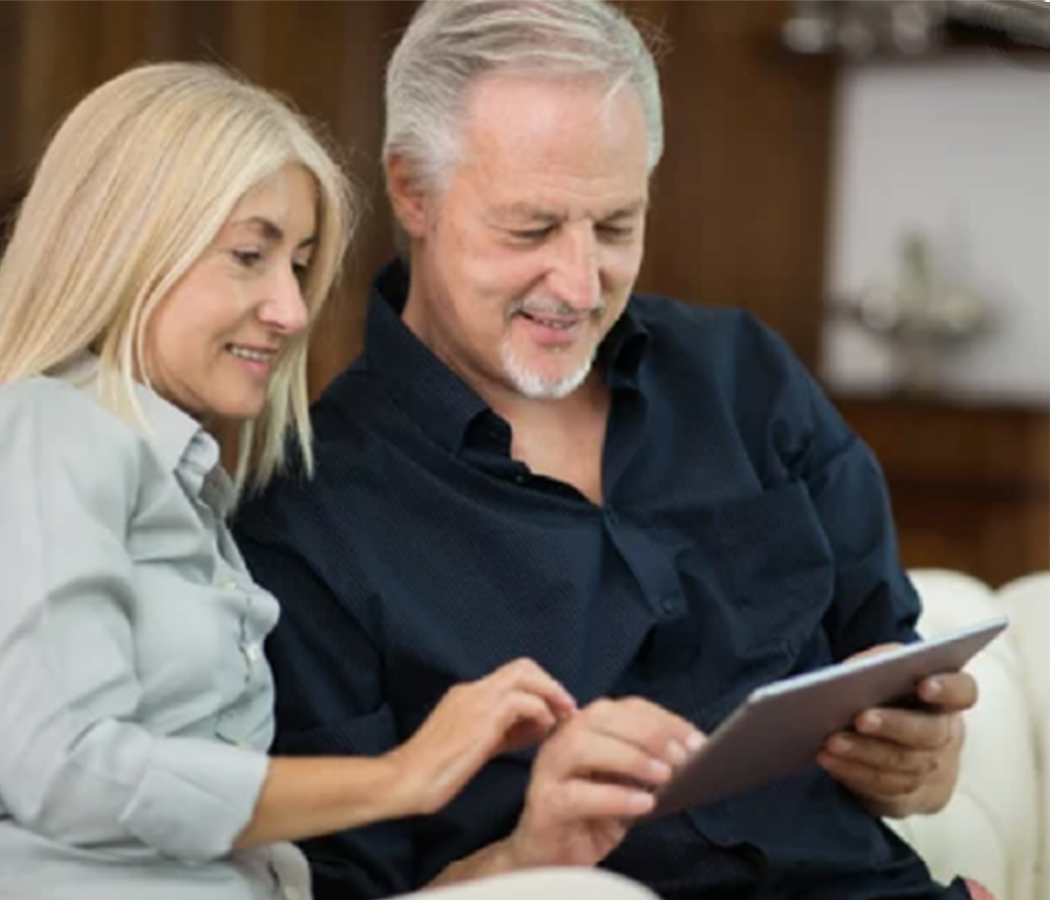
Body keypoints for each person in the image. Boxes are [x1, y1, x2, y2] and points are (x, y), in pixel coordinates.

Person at [232, 2, 982, 899]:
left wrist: (921, 764)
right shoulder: (308, 516)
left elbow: (896, 689)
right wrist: (530, 858)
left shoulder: (745, 378)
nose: (581, 285)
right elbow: (349, 888)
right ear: (412, 192)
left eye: (617, 225)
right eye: (532, 228)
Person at [0, 61, 621, 900]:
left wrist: (521, 859)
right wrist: (403, 775)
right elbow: (70, 770)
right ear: (126, 245)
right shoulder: (38, 433)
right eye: (249, 256)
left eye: (297, 265)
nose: (292, 310)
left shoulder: (194, 505)